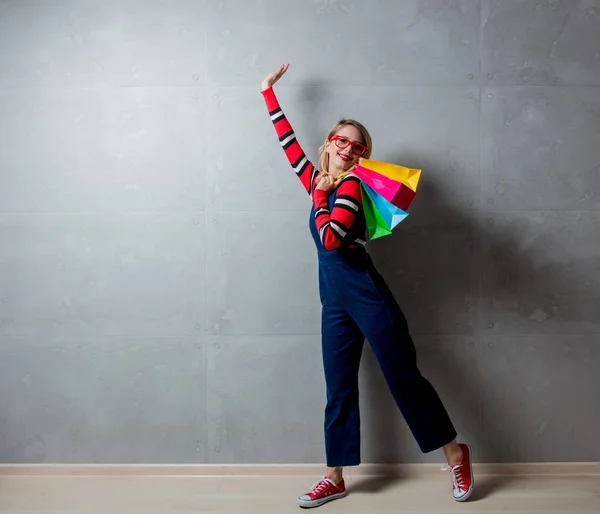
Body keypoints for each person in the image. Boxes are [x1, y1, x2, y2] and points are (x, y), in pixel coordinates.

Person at [261, 63, 474, 509]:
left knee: (403, 379)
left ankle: (456, 453)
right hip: (334, 302)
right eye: (341, 140)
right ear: (329, 145)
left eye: (357, 146)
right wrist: (268, 94)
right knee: (337, 387)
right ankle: (334, 477)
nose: (348, 148)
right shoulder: (320, 180)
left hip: (367, 295)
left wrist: (320, 195)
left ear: (361, 156)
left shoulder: (352, 186)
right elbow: (288, 145)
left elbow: (331, 237)